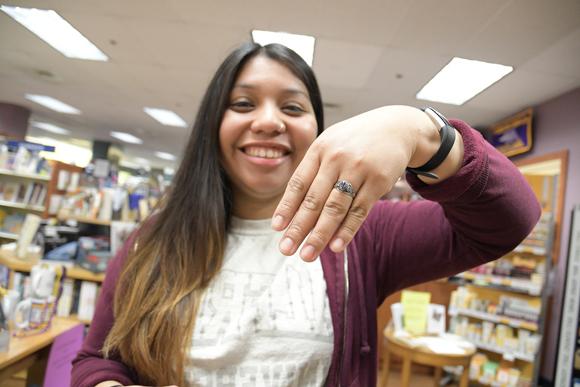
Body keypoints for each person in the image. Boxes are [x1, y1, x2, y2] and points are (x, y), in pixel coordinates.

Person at [71, 42, 540, 387]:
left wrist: (421, 129)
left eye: (292, 107)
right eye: (242, 103)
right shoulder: (153, 240)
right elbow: (97, 360)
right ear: (213, 124)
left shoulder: (362, 230)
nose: (269, 121)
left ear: (318, 129)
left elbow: (510, 218)